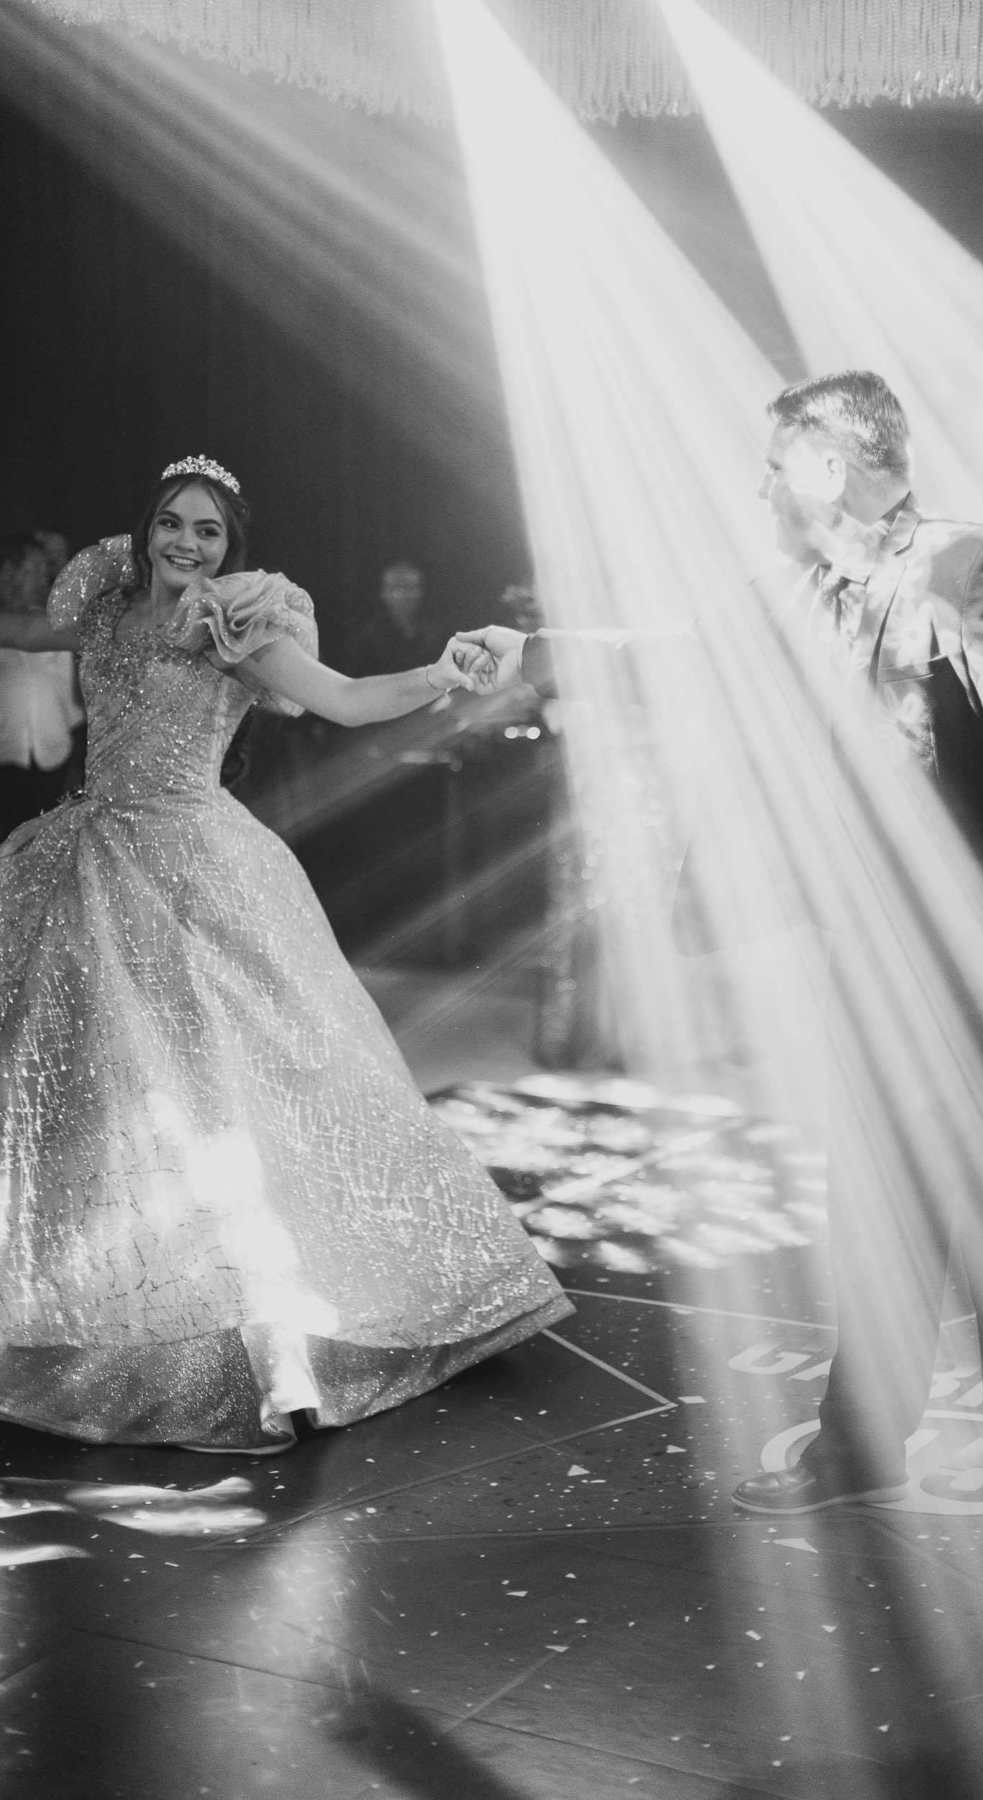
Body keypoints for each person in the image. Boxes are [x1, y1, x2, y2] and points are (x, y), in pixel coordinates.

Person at [455, 371, 983, 1587]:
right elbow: (673, 655)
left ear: (827, 467)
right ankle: (858, 1446)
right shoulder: (796, 596)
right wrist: (531, 651)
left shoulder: (977, 565)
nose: (759, 488)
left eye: (773, 466)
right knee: (880, 1214)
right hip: (863, 958)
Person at [0, 455, 570, 1453]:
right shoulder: (104, 609)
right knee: (93, 1094)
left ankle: (264, 1350)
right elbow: (24, 631)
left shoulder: (235, 622)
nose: (185, 543)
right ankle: (98, 1311)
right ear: (145, 527)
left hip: (193, 875)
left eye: (207, 530)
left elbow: (346, 699)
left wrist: (442, 673)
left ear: (230, 547)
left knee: (215, 1099)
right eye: (171, 522)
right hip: (91, 862)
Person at [0, 532, 84, 843]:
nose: (39, 578)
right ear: (8, 574)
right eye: (30, 570)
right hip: (6, 751)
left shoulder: (57, 623)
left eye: (41, 570)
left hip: (53, 749)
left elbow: (72, 690)